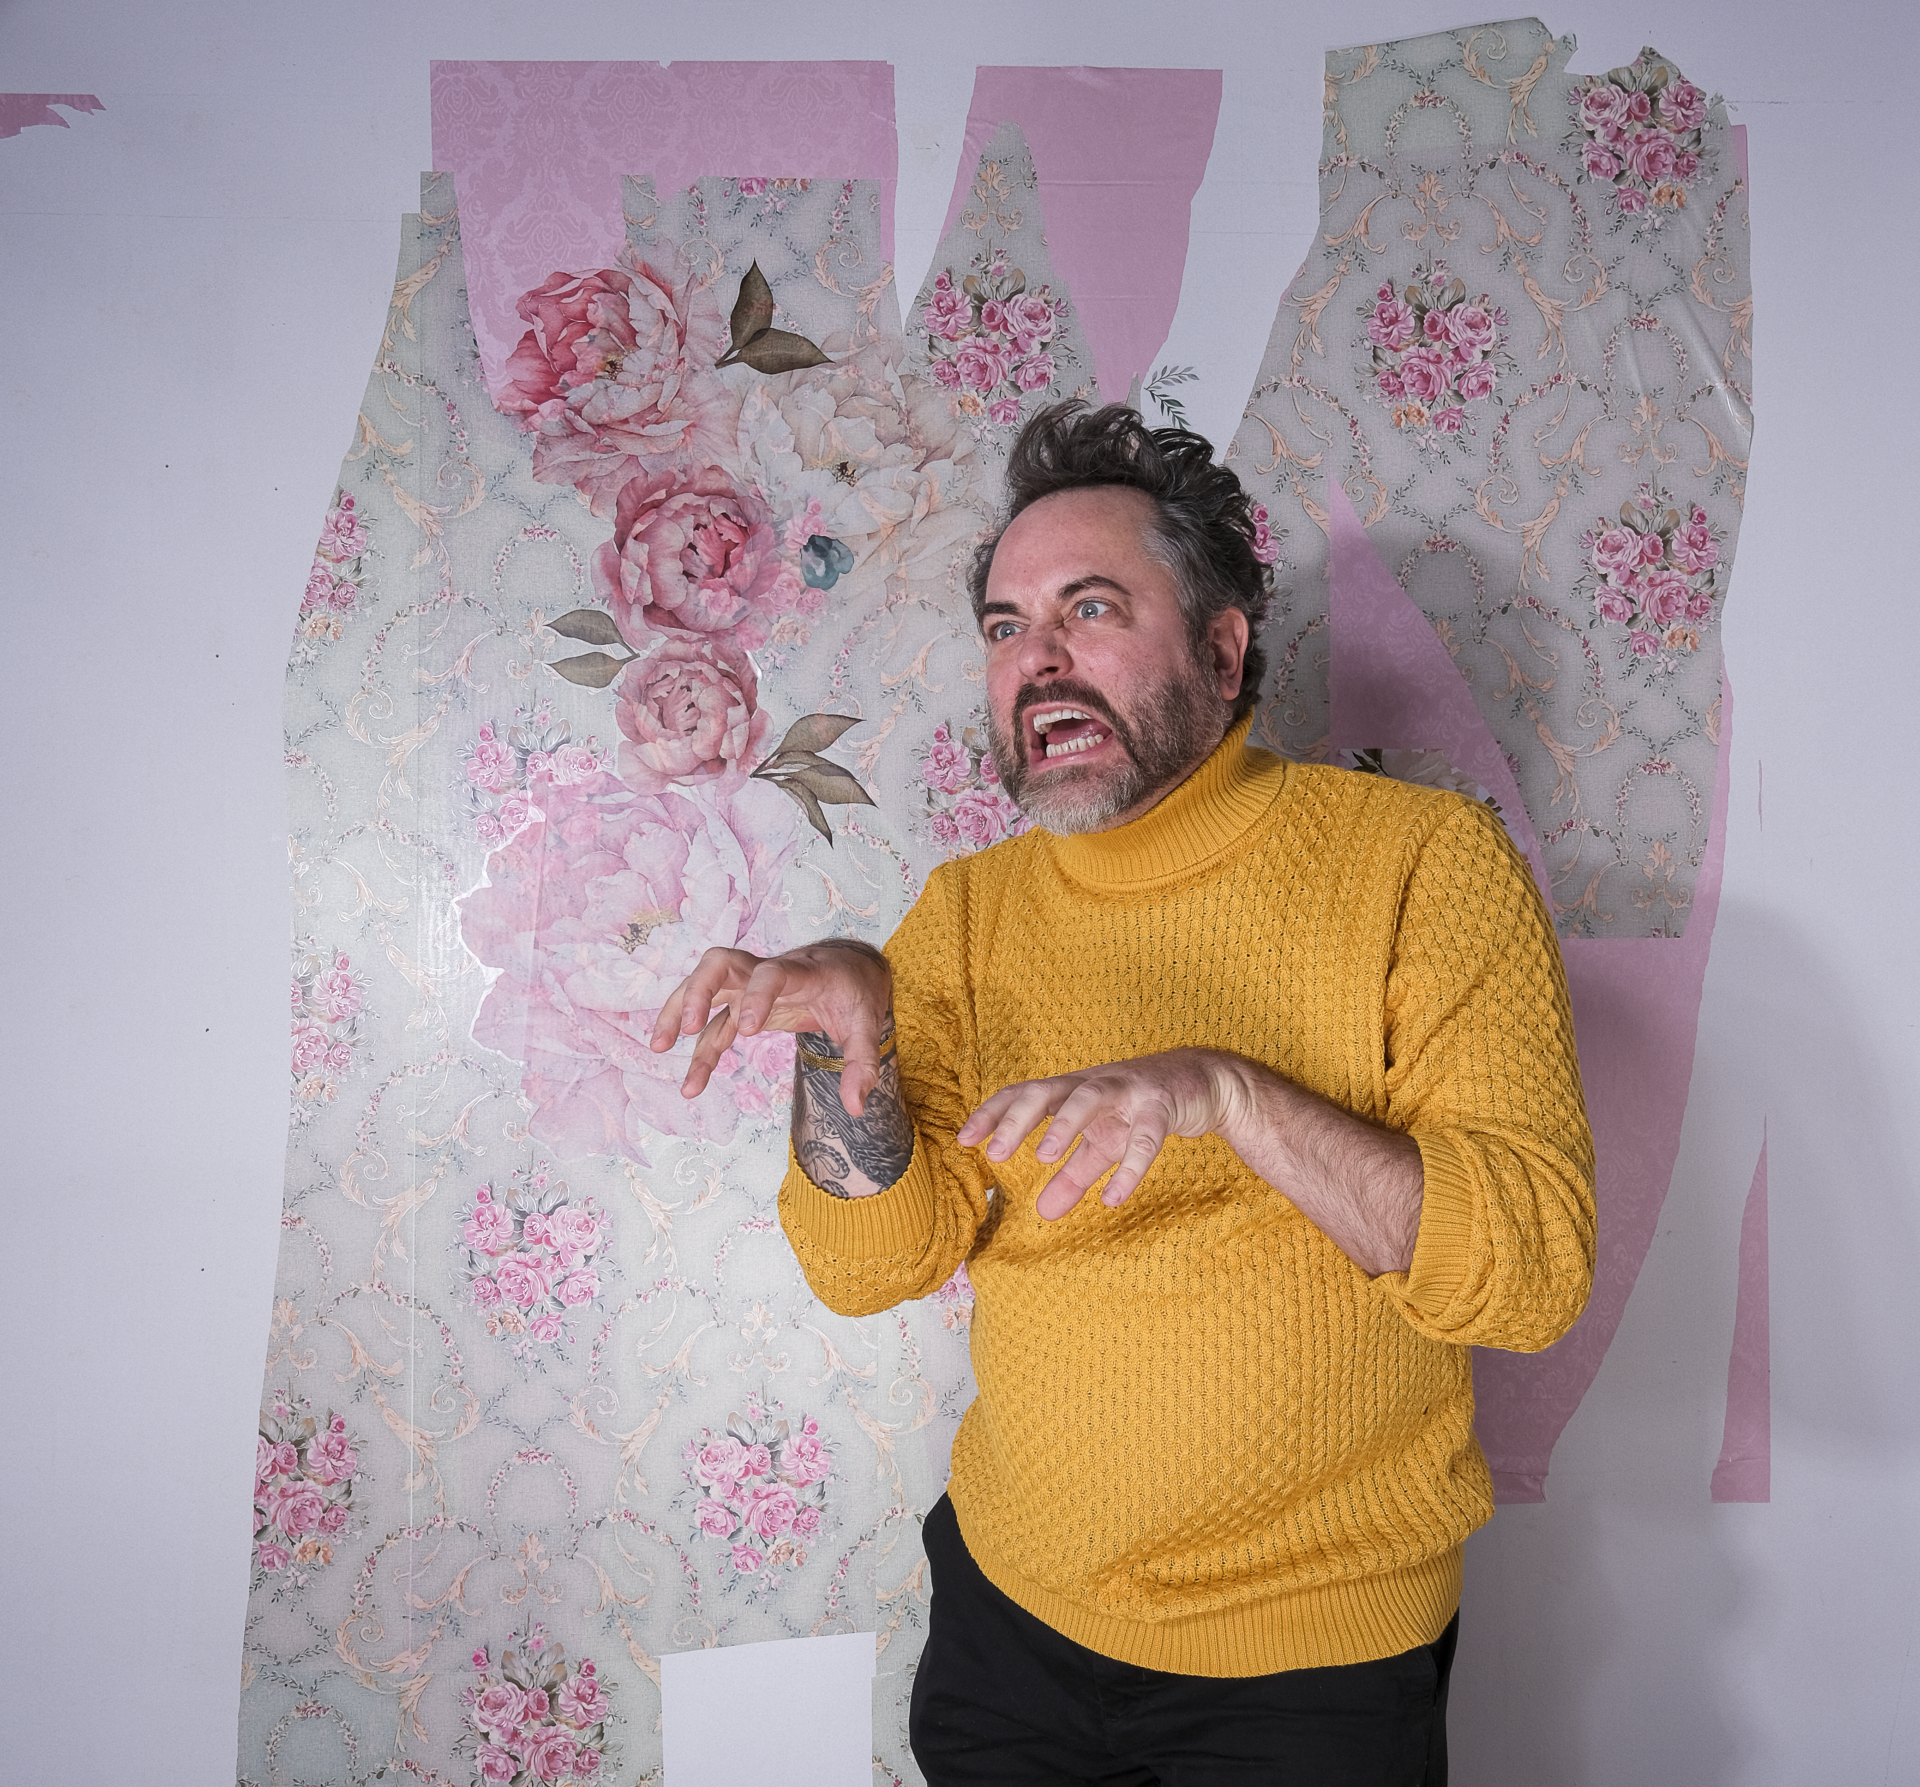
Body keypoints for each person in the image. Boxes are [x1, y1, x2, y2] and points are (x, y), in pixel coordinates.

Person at [650, 403, 1595, 1785]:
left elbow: (1530, 1273)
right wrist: (852, 1045)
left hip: (1307, 1675)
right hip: (1012, 1628)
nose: (1037, 659)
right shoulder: (968, 913)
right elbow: (872, 1264)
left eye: (1090, 609)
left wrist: (1231, 1095)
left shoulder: (1423, 863)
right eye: (1005, 625)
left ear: (1222, 650)